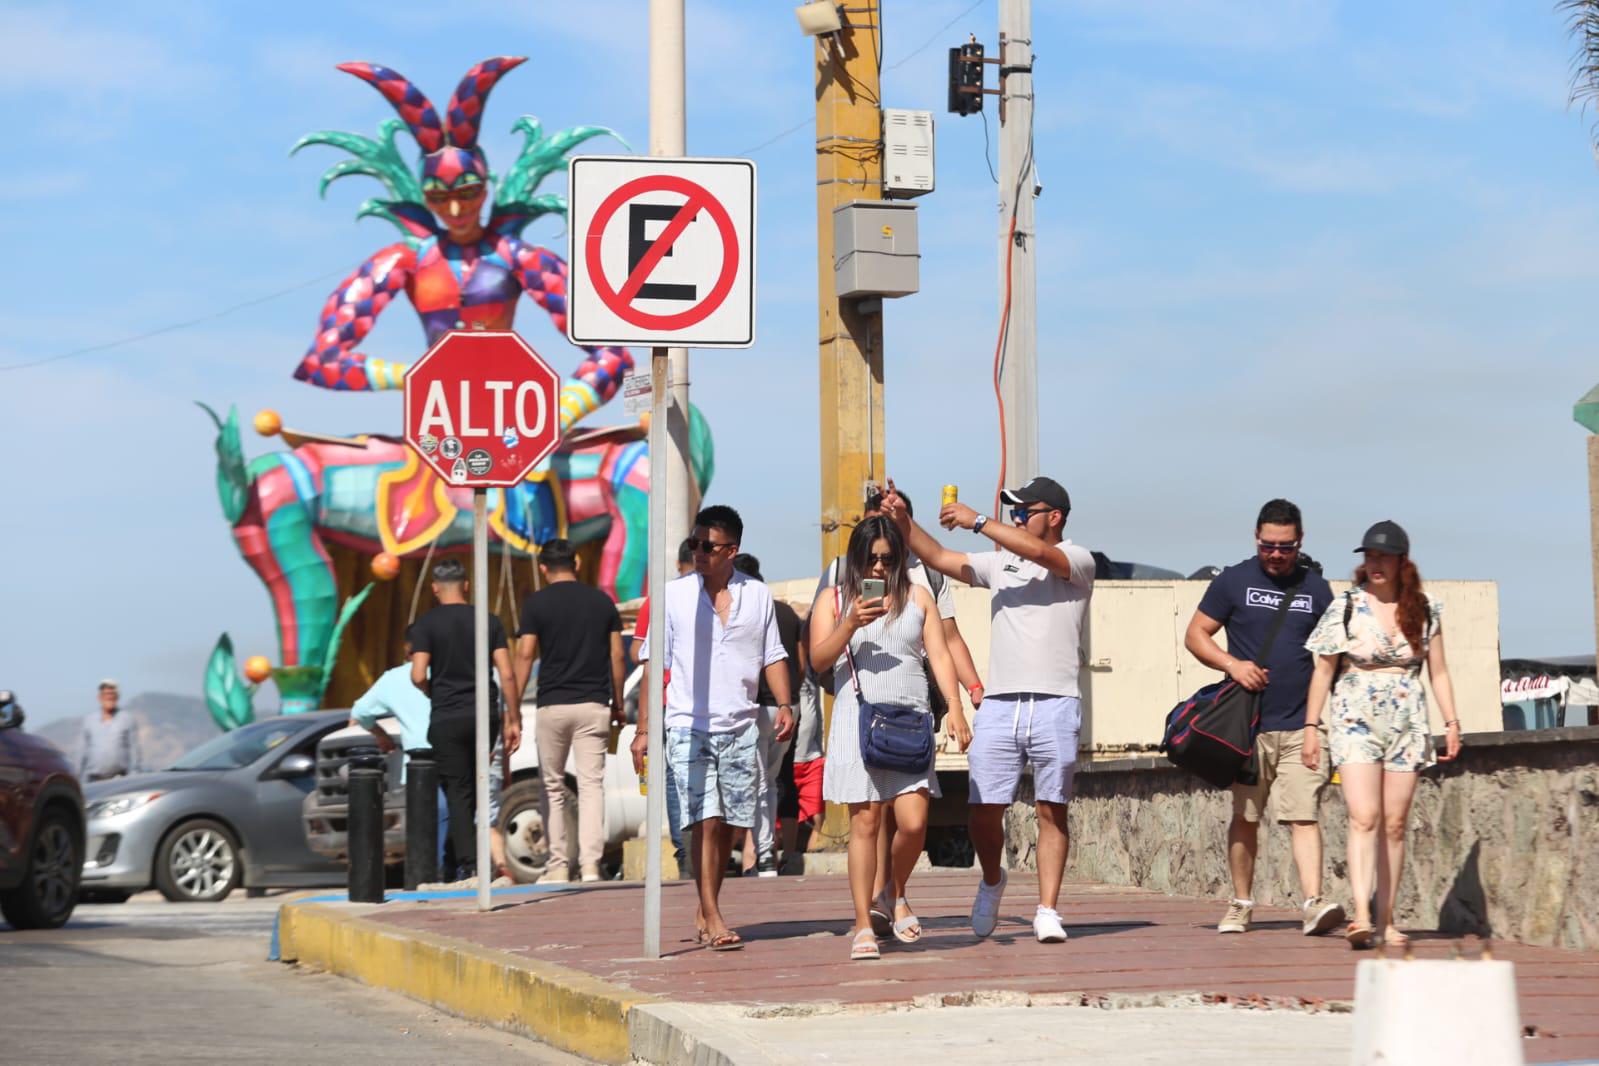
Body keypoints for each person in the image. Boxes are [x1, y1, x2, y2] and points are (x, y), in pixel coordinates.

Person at [883, 475, 1093, 945]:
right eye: (1013, 511)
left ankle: (1047, 909)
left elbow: (1043, 555)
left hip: (1056, 701)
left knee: (1051, 809)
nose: (1017, 518)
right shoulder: (1000, 565)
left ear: (1054, 517)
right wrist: (902, 520)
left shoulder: (1077, 560)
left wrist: (979, 520)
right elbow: (938, 557)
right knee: (982, 810)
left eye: (1025, 511)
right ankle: (993, 880)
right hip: (999, 703)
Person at [816, 489, 985, 921]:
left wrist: (957, 705)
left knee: (912, 823)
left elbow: (941, 652)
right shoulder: (835, 599)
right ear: (856, 559)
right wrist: (850, 622)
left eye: (888, 559)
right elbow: (817, 659)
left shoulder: (918, 596)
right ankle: (862, 924)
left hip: (910, 719)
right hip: (860, 721)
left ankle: (892, 890)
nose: (878, 567)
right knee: (866, 823)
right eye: (870, 559)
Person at [630, 505, 794, 951]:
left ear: (732, 550)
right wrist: (644, 729)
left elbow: (772, 654)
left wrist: (784, 703)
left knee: (729, 827)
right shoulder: (673, 596)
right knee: (706, 818)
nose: (698, 552)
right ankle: (716, 915)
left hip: (740, 723)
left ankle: (707, 906)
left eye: (709, 546)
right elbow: (651, 667)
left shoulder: (757, 595)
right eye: (695, 544)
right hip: (687, 723)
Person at [1183, 499, 1346, 937]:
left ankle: (1312, 902)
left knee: (1303, 813)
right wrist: (1232, 665)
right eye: (1268, 545)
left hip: (1300, 727)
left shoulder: (1317, 589)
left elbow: (1331, 659)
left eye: (1285, 546)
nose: (1276, 554)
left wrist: (1316, 725)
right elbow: (1195, 635)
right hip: (1248, 728)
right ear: (1256, 539)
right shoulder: (1234, 580)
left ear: (1300, 541)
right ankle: (1240, 903)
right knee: (1246, 817)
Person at [1303, 520, 1461, 949]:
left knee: (1394, 824)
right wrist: (1312, 726)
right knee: (1363, 816)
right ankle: (1360, 915)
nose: (1374, 564)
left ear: (1401, 562)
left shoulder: (1426, 609)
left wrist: (1451, 723)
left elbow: (1439, 671)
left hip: (1407, 719)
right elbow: (1323, 671)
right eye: (1369, 556)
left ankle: (1387, 920)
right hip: (1355, 715)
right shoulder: (1347, 606)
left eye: (1383, 556)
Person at [514, 538, 626, 885]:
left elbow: (525, 654)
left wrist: (514, 707)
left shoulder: (536, 604)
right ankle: (591, 866)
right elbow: (617, 657)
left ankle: (559, 864)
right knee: (592, 786)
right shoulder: (602, 603)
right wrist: (618, 702)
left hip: (553, 705)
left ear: (544, 568)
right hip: (594, 705)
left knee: (552, 785)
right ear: (576, 562)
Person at [410, 557, 522, 881]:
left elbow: (418, 673)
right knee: (477, 787)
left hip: (446, 714)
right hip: (483, 714)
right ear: (467, 585)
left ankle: (469, 865)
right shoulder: (488, 621)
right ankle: (463, 859)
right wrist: (513, 719)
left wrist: (433, 691)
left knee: (458, 791)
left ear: (434, 589)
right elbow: (507, 673)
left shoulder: (426, 625)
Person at [351, 628, 451, 876]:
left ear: (407, 649)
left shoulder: (393, 679)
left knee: (424, 828)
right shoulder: (453, 671)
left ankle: (429, 876)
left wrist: (380, 735)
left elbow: (361, 711)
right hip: (454, 757)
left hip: (416, 766)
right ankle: (455, 872)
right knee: (453, 820)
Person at [732, 553, 804, 877]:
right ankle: (766, 854)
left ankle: (761, 855)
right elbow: (800, 663)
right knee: (772, 781)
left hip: (756, 705)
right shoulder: (787, 612)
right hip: (788, 704)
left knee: (758, 783)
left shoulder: (742, 607)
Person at [634, 536, 698, 873]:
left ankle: (686, 851)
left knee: (674, 778)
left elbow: (639, 655)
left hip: (665, 700)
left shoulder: (659, 599)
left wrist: (642, 725)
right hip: (697, 701)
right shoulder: (711, 596)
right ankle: (701, 849)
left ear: (678, 563)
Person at [78, 680, 140, 783]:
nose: (109, 697)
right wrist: (77, 779)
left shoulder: (127, 719)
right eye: (106, 694)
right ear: (100, 697)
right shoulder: (89, 721)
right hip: (93, 780)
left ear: (117, 697)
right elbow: (81, 753)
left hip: (120, 780)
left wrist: (133, 778)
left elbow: (134, 752)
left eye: (112, 694)